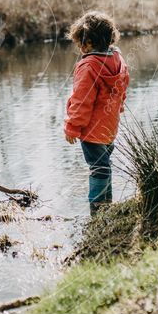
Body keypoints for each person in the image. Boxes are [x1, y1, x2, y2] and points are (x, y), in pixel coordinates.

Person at [64, 11, 129, 215]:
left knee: (97, 167)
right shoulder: (117, 59)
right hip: (110, 125)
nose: (79, 48)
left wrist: (72, 127)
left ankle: (98, 208)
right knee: (104, 163)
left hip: (92, 129)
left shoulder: (89, 66)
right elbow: (122, 87)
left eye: (80, 43)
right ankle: (106, 204)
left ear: (89, 42)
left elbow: (81, 100)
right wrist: (119, 107)